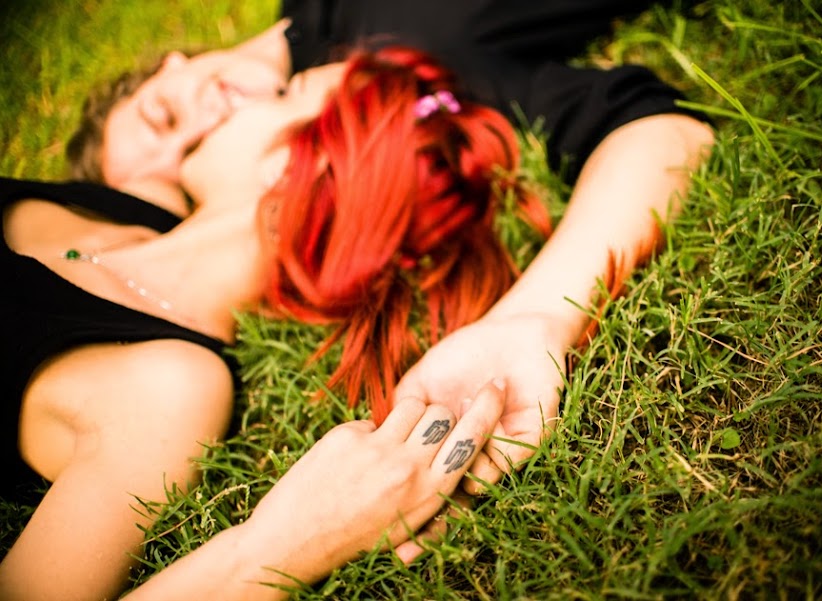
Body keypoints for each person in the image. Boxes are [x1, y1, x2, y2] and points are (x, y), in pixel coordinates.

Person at [2, 2, 714, 598]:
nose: (193, 84)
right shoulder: (108, 209)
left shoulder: (162, 383)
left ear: (306, 163)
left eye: (286, 91)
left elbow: (662, 133)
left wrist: (269, 549)